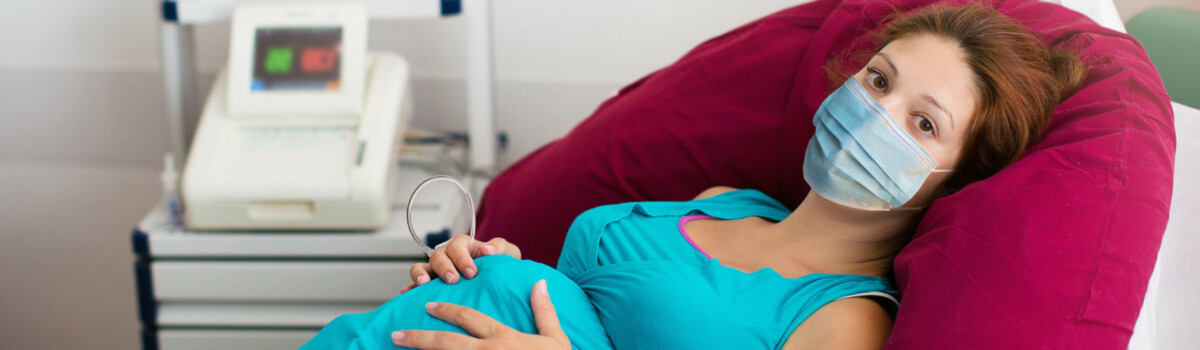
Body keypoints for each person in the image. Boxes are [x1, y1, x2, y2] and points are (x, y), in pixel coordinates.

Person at [302, 4, 1086, 349]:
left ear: (952, 180)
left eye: (923, 123)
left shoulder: (843, 321)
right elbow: (581, 303)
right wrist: (492, 271)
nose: (877, 117)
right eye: (878, 81)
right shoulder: (725, 202)